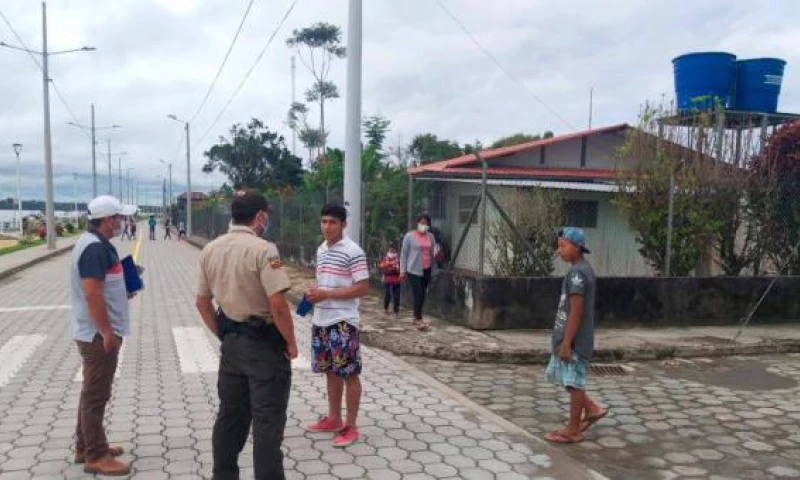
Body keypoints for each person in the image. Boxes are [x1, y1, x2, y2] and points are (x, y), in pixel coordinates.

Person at [195, 188, 298, 480]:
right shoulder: (265, 250)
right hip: (264, 348)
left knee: (230, 419)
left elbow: (202, 303)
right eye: (266, 216)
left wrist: (224, 336)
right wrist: (291, 342)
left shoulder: (210, 249)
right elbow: (278, 305)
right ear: (260, 216)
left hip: (232, 347)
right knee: (267, 424)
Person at [70, 195, 137, 475]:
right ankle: (95, 456)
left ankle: (85, 445)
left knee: (91, 392)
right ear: (109, 219)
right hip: (97, 335)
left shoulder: (97, 245)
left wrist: (125, 289)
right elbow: (92, 293)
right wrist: (107, 332)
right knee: (97, 395)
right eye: (120, 218)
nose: (123, 222)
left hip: (96, 331)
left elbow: (103, 287)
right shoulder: (94, 249)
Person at [305, 204, 369, 448]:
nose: (327, 226)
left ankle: (350, 426)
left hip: (343, 322)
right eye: (323, 221)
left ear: (344, 225)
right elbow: (325, 282)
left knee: (349, 373)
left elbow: (363, 287)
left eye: (332, 222)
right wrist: (316, 292)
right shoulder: (321, 249)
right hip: (321, 319)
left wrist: (327, 294)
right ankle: (333, 418)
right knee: (330, 371)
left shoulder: (353, 251)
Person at [544, 227, 607, 444]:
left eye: (563, 246)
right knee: (570, 382)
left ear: (577, 247)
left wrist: (567, 343)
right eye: (558, 246)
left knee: (575, 384)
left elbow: (577, 310)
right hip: (570, 338)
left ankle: (573, 429)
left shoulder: (578, 273)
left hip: (575, 341)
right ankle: (591, 409)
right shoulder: (580, 270)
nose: (559, 250)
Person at [399, 214, 439, 330]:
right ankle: (418, 318)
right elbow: (404, 254)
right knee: (418, 293)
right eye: (422, 223)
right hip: (413, 269)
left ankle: (417, 315)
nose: (424, 225)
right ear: (417, 223)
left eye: (426, 223)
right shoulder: (409, 236)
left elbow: (433, 252)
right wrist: (402, 271)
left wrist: (436, 264)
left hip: (427, 268)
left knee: (422, 294)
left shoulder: (431, 236)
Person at [379, 244, 402, 317]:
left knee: (396, 296)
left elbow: (402, 268)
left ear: (396, 250)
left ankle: (396, 311)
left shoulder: (399, 259)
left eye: (393, 250)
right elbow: (381, 265)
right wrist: (390, 263)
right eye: (390, 250)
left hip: (396, 279)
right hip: (388, 279)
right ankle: (386, 308)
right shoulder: (386, 258)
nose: (392, 251)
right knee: (388, 294)